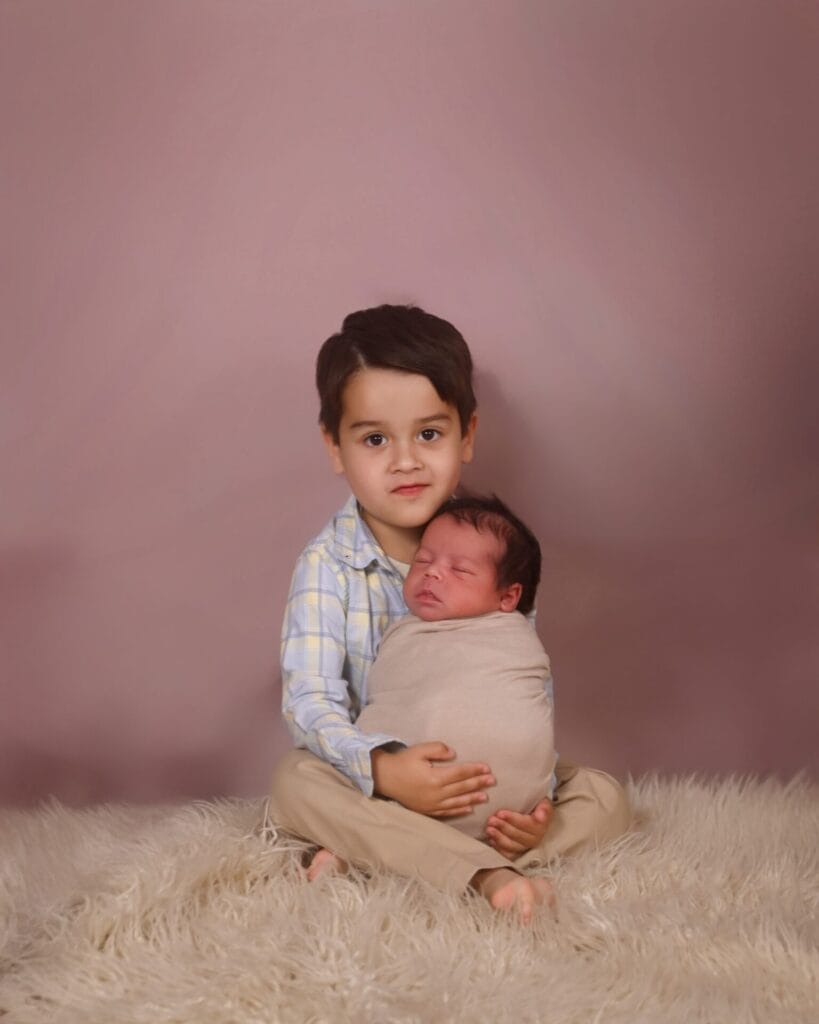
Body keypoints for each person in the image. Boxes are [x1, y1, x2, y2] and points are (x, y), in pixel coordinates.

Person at [268, 304, 631, 921]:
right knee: (293, 784)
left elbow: (520, 682)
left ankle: (408, 853)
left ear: (467, 434)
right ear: (335, 447)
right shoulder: (327, 567)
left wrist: (534, 804)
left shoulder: (492, 545)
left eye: (429, 434)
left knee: (604, 795)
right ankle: (487, 873)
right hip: (381, 781)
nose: (405, 461)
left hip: (480, 777)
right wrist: (383, 768)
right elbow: (310, 701)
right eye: (375, 439)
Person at [356, 494, 556, 845]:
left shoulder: (511, 637)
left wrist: (544, 806)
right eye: (423, 560)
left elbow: (532, 726)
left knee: (601, 792)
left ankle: (360, 847)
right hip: (462, 803)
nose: (432, 571)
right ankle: (495, 862)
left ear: (508, 598)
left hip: (487, 809)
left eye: (460, 570)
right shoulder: (404, 630)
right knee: (303, 772)